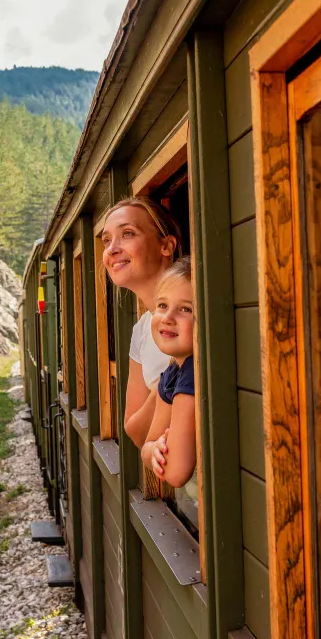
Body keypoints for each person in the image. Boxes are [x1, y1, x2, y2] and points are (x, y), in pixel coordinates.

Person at [99, 197, 182, 448]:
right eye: (106, 240)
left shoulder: (195, 313)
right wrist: (170, 379)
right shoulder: (141, 330)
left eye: (127, 234)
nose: (112, 249)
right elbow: (134, 432)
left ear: (166, 246)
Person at [142, 258, 196, 488]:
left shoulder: (193, 373)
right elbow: (147, 447)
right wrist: (155, 449)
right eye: (162, 305)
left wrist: (155, 452)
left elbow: (174, 473)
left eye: (185, 309)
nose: (167, 318)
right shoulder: (173, 372)